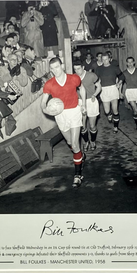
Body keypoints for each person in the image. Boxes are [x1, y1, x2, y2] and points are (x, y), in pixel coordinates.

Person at [41, 57, 87, 187]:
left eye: (57, 67)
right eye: (52, 68)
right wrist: (45, 109)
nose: (55, 70)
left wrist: (84, 104)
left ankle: (78, 175)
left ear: (62, 66)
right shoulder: (49, 84)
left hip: (74, 112)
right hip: (60, 115)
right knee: (70, 143)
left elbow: (82, 89)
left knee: (75, 144)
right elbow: (43, 102)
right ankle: (80, 155)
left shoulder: (74, 78)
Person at [73, 60, 101, 151]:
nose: (77, 71)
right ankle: (86, 142)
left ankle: (93, 141)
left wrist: (94, 95)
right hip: (80, 102)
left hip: (91, 101)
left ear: (83, 67)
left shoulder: (91, 75)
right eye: (75, 69)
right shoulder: (73, 77)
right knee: (82, 126)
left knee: (92, 126)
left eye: (78, 69)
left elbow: (99, 87)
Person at [96, 52, 123, 133]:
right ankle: (109, 114)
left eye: (106, 59)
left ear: (109, 59)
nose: (105, 61)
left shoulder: (114, 68)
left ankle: (115, 127)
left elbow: (122, 76)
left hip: (113, 89)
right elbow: (96, 79)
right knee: (107, 111)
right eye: (103, 59)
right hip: (104, 90)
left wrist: (119, 83)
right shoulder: (99, 69)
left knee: (115, 110)